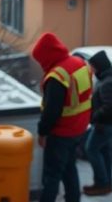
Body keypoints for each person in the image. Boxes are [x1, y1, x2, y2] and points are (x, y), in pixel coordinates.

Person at [31, 32, 92, 202]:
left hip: (61, 133)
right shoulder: (80, 63)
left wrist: (42, 133)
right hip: (79, 128)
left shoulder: (57, 76)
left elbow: (51, 112)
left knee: (52, 175)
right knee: (69, 168)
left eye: (40, 59)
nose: (41, 63)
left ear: (46, 55)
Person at [83, 50, 112, 196]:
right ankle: (107, 184)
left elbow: (110, 106)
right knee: (106, 153)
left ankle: (101, 183)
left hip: (104, 125)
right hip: (111, 124)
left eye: (92, 67)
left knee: (91, 149)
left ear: (99, 66)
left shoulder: (108, 83)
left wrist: (94, 116)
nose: (91, 70)